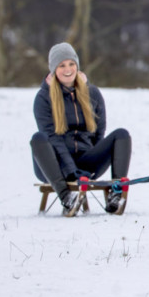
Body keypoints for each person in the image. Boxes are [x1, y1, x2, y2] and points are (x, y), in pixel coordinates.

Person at [30, 42, 132, 216]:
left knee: (122, 135)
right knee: (38, 138)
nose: (67, 69)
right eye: (61, 65)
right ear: (54, 69)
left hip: (84, 163)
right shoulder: (43, 98)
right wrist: (72, 172)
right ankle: (67, 197)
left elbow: (99, 133)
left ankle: (116, 193)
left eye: (71, 64)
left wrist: (93, 160)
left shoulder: (92, 93)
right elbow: (52, 138)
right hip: (55, 165)